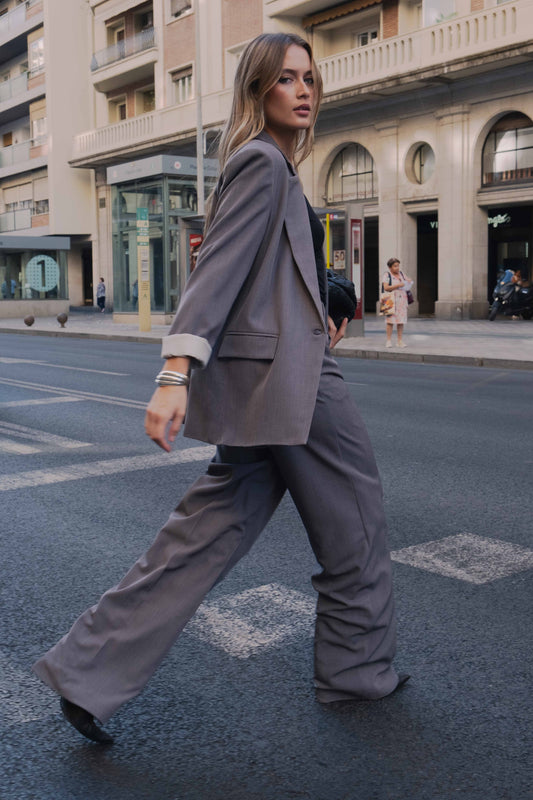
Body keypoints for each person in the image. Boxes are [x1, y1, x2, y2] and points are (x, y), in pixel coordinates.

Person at [33, 33, 408, 745]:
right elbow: (216, 274)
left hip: (264, 381)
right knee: (355, 518)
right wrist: (174, 374)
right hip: (298, 384)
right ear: (256, 90)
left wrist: (326, 298)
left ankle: (88, 673)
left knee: (203, 534)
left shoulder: (268, 168)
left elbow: (268, 274)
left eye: (309, 78)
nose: (302, 90)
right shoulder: (262, 164)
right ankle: (357, 673)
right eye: (285, 79)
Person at [382, 258, 412, 348]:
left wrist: (409, 282)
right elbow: (386, 287)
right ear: (390, 267)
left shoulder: (402, 274)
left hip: (402, 300)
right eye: (395, 266)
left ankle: (400, 340)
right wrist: (398, 285)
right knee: (390, 321)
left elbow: (407, 281)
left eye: (398, 265)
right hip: (389, 299)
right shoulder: (387, 275)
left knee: (401, 321)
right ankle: (388, 340)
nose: (397, 268)